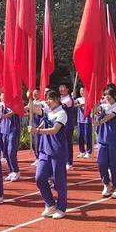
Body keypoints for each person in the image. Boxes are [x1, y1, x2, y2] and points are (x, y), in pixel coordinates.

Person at [29, 90, 68, 219]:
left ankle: (61, 208)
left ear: (57, 99)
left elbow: (54, 130)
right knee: (39, 178)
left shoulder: (62, 114)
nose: (47, 101)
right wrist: (28, 100)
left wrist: (37, 131)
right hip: (44, 151)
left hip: (57, 151)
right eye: (46, 99)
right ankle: (50, 204)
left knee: (59, 182)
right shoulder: (47, 112)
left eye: (49, 99)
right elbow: (34, 109)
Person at [94, 86, 116, 198]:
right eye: (105, 95)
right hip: (102, 139)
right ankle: (106, 183)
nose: (107, 97)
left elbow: (109, 117)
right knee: (101, 163)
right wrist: (93, 109)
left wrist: (99, 121)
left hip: (114, 139)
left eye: (109, 96)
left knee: (113, 165)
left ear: (115, 96)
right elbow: (94, 112)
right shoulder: (103, 106)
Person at [0, 99, 21, 182]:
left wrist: (1, 116)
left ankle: (16, 171)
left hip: (13, 130)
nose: (2, 98)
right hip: (4, 130)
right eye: (1, 96)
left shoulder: (15, 104)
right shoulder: (0, 105)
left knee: (11, 151)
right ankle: (11, 171)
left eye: (4, 96)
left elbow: (12, 112)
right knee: (6, 152)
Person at [59, 83, 75, 170]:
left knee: (67, 143)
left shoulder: (68, 99)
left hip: (68, 124)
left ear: (67, 89)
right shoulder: (61, 98)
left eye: (63, 88)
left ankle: (69, 162)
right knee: (62, 143)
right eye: (60, 88)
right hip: (61, 124)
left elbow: (60, 106)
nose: (61, 89)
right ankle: (64, 160)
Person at [74, 87, 92, 158]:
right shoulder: (78, 99)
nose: (81, 92)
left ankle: (89, 152)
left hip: (87, 120)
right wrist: (73, 97)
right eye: (80, 91)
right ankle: (82, 151)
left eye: (83, 91)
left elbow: (89, 105)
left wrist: (83, 105)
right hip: (80, 120)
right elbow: (73, 104)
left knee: (87, 136)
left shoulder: (89, 98)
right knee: (80, 136)